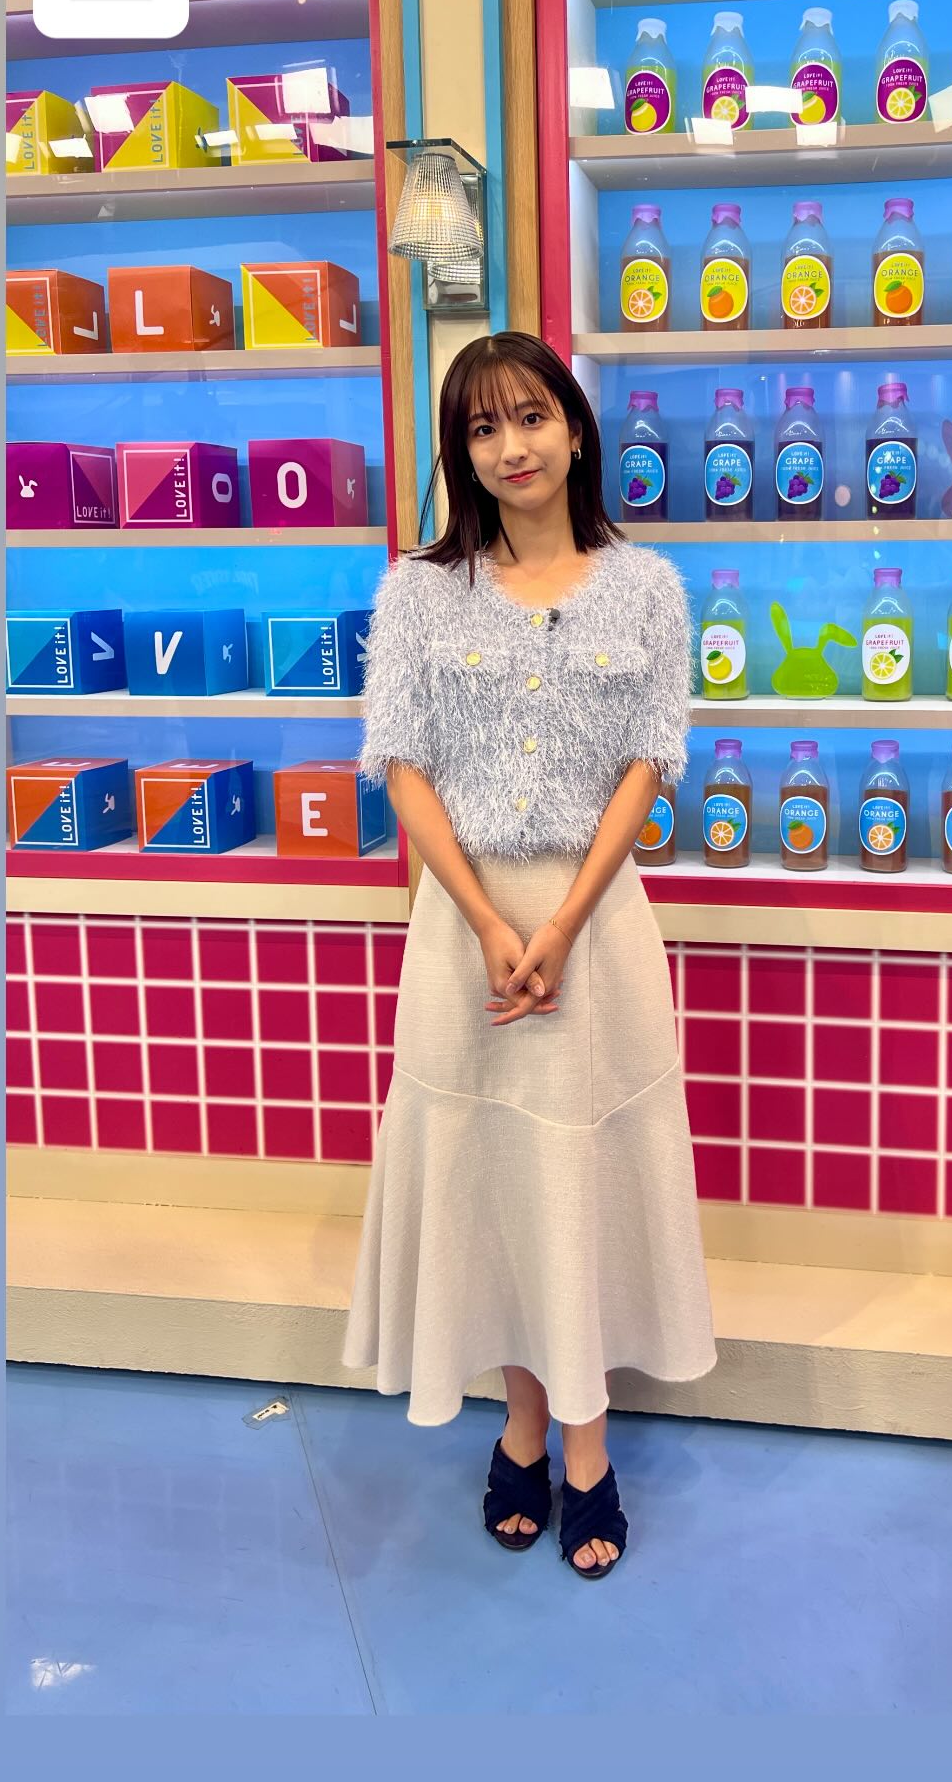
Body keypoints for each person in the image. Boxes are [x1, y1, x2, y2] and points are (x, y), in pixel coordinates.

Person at [341, 331, 717, 1580]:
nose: (512, 446)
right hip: (464, 929)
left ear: (575, 425)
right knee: (497, 1172)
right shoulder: (417, 592)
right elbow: (401, 763)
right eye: (483, 427)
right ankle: (520, 1425)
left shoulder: (648, 586)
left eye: (532, 416)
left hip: (595, 926)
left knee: (582, 1174)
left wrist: (558, 924)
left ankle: (588, 1445)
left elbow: (649, 763)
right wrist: (495, 925)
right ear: (462, 452)